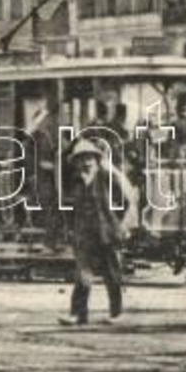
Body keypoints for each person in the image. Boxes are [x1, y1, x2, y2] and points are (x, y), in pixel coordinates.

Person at [57, 137, 128, 326]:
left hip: (106, 233)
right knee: (83, 276)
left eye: (90, 158)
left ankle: (117, 312)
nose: (86, 162)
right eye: (82, 158)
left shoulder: (106, 177)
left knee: (112, 274)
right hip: (84, 234)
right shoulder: (76, 181)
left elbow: (124, 200)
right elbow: (71, 209)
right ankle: (78, 314)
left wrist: (116, 222)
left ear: (97, 160)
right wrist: (71, 229)